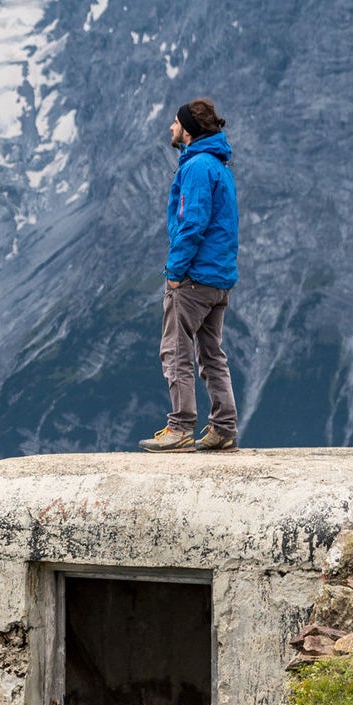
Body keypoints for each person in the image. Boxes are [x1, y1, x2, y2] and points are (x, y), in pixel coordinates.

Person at [140, 98, 239, 452]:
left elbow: (192, 223)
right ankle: (224, 428)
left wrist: (174, 272)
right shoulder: (219, 167)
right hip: (219, 278)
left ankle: (181, 427)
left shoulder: (197, 167)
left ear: (189, 130)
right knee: (212, 353)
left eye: (176, 122)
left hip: (194, 278)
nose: (171, 127)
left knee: (175, 349)